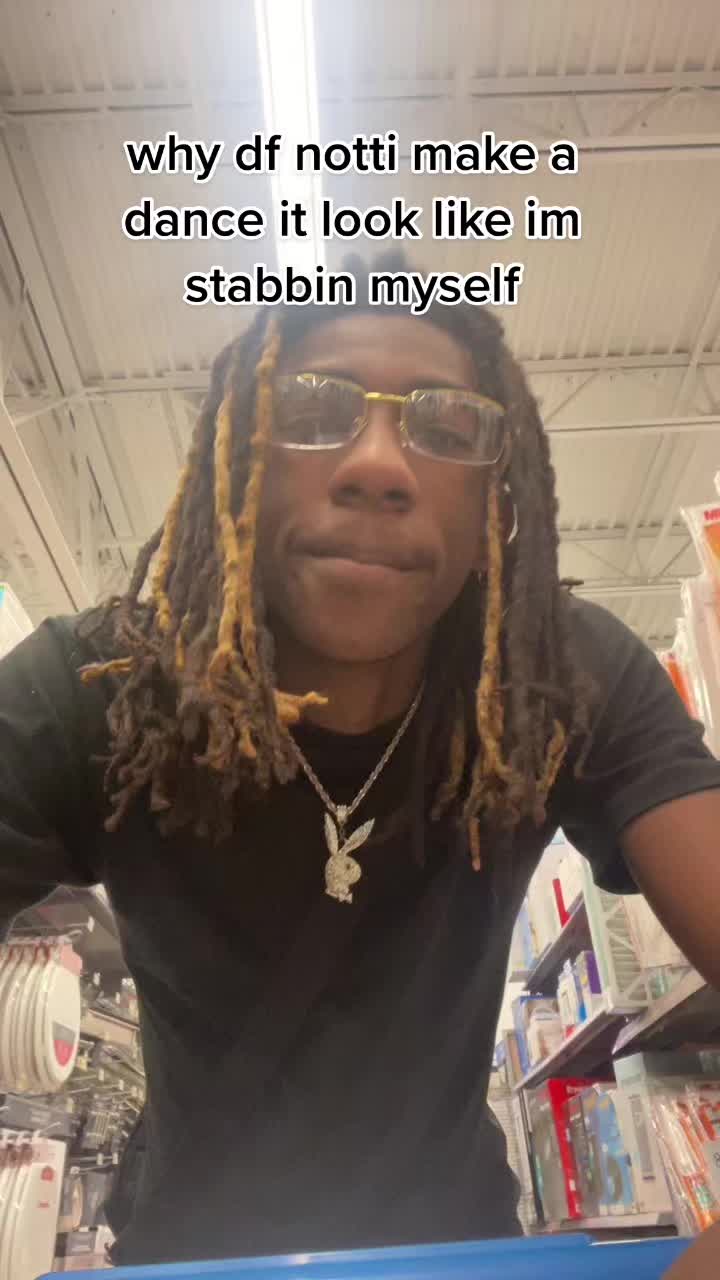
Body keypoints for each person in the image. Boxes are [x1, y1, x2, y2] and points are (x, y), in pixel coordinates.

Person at [1, 257, 719, 1269]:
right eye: (310, 409)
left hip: (463, 1256)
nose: (379, 464)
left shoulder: (556, 679)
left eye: (449, 428)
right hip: (194, 1257)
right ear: (235, 474)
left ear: (494, 509)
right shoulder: (94, 688)